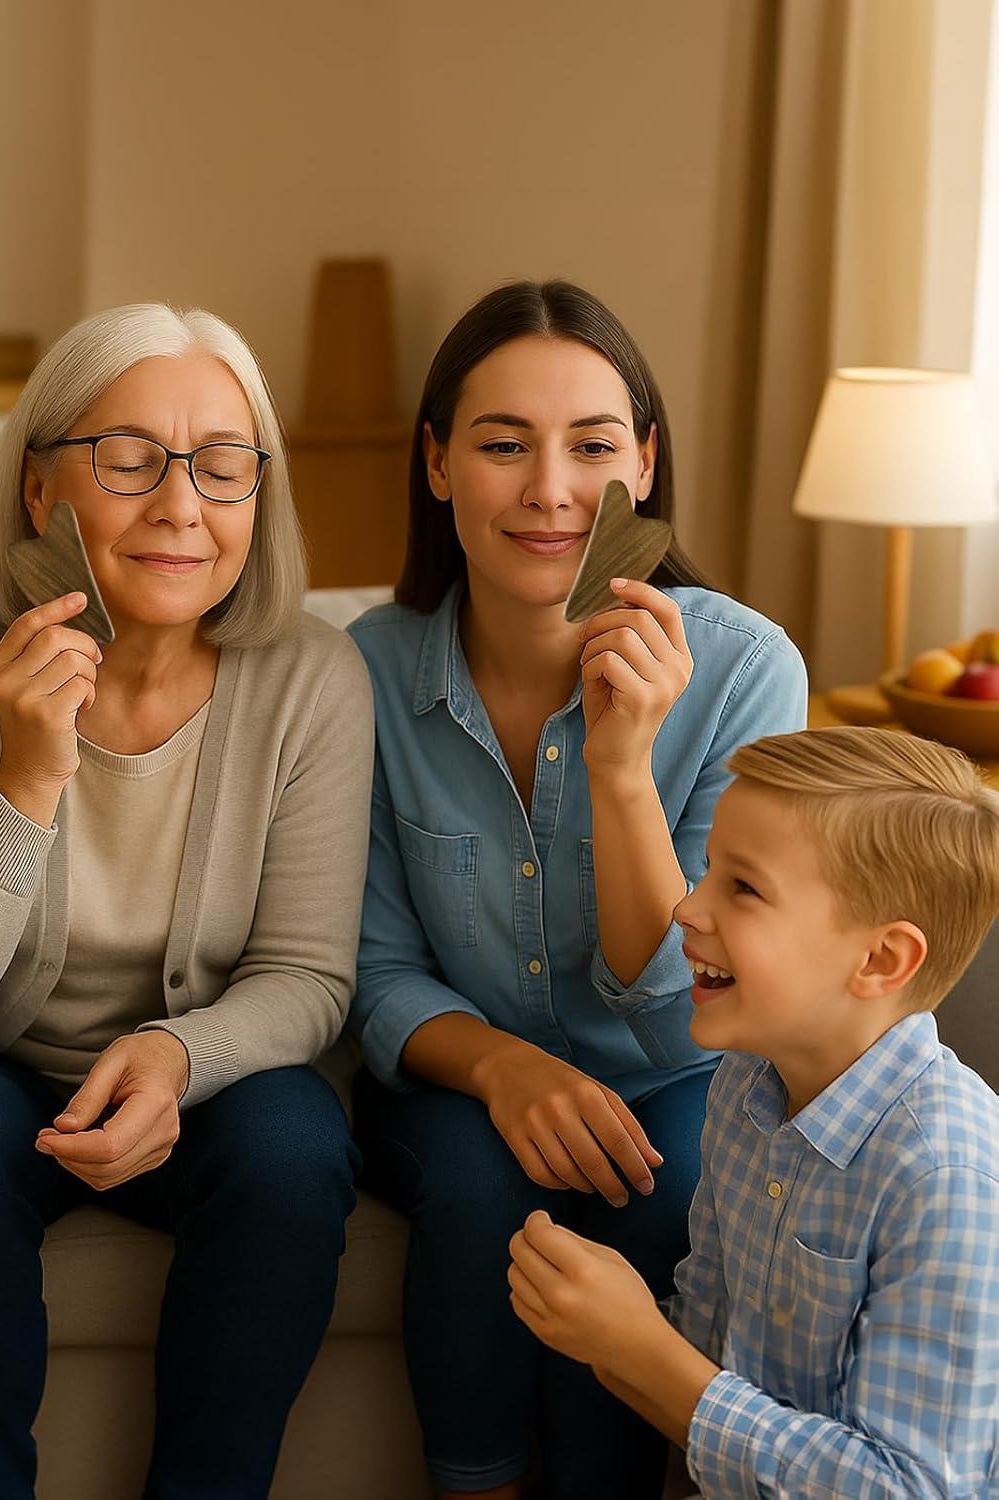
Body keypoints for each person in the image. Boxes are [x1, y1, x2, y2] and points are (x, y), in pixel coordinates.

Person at [0, 302, 374, 1500]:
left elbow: (310, 976)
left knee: (295, 1151)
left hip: (205, 1068)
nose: (182, 505)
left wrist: (177, 1056)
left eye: (224, 467)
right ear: (38, 490)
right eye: (128, 461)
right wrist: (26, 780)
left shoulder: (316, 679)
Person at [345, 279, 807, 1498]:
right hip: (460, 1078)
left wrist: (620, 768)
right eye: (502, 445)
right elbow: (376, 971)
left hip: (680, 1075)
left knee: (668, 1194)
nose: (551, 490)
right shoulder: (367, 673)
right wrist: (504, 1067)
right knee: (471, 1186)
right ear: (438, 466)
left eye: (593, 447)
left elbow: (685, 1012)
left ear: (644, 466)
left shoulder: (746, 668)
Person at [509, 725, 999, 1497]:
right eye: (708, 872)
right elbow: (711, 1327)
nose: (685, 908)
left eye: (743, 888)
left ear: (879, 961)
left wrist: (640, 1350)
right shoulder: (744, 1083)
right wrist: (607, 1331)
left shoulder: (947, 1176)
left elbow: (914, 1486)